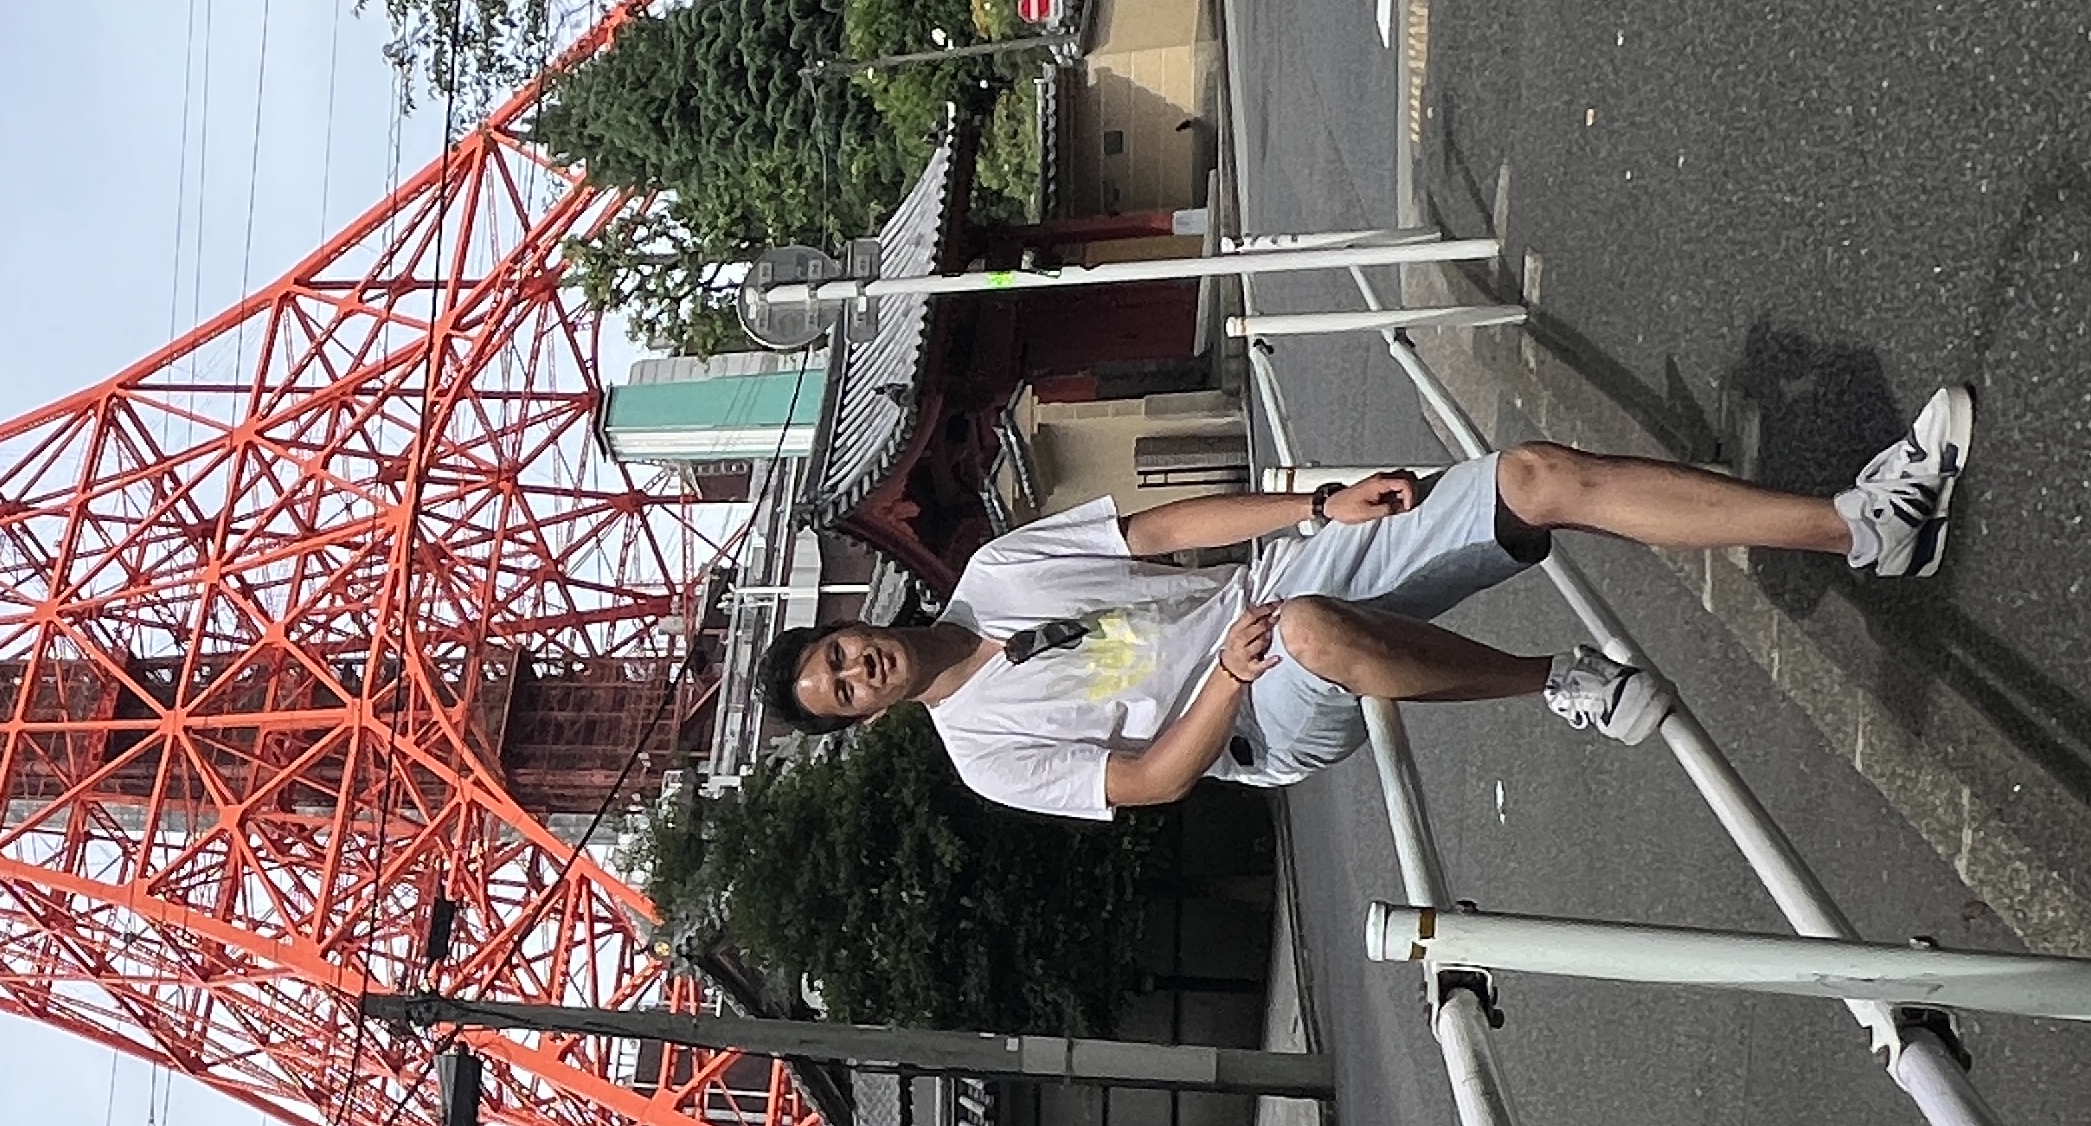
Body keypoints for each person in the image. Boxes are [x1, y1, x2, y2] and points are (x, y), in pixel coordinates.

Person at [754, 391, 1970, 820]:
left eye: (841, 653)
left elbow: (1166, 531)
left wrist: (1314, 504)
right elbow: (1153, 783)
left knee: (1532, 478)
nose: (860, 670)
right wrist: (1228, 676)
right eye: (845, 692)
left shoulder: (999, 573)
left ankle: (1863, 525)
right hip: (1247, 723)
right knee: (1309, 638)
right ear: (864, 721)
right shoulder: (984, 754)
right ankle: (1555, 682)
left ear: (855, 622)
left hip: (1274, 583)